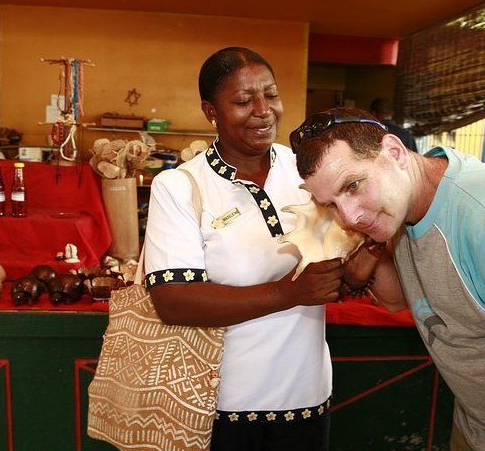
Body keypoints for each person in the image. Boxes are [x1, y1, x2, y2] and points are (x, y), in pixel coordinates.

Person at [290, 106, 485, 451]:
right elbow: (400, 298)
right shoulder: (403, 200)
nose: (349, 215)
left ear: (395, 152)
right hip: (477, 427)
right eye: (331, 204)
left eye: (353, 186)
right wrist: (367, 245)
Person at [144, 47, 343, 451]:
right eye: (242, 100)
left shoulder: (307, 169)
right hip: (219, 406)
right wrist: (291, 293)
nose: (263, 110)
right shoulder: (181, 186)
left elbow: (347, 255)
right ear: (210, 111)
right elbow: (172, 301)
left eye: (270, 94)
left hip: (305, 396)